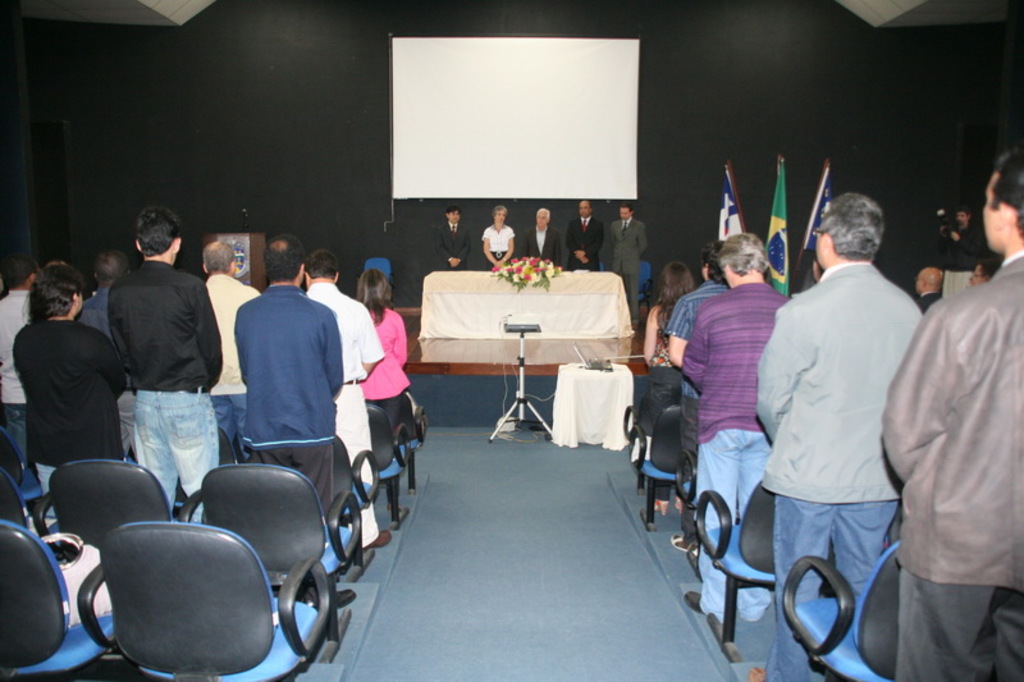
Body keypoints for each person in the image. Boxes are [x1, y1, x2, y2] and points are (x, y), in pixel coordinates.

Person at [754, 193, 919, 682]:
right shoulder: (908, 310)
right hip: (877, 481)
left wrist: (794, 439)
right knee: (867, 589)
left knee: (798, 589)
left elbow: (770, 398)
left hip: (808, 479)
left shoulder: (804, 309)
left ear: (825, 243)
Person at [883, 147, 1024, 681]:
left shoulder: (964, 313)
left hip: (958, 542)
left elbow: (905, 435)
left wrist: (944, 490)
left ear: (1006, 213)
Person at [681, 233, 787, 622]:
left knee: (715, 512)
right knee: (759, 515)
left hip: (721, 425)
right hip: (769, 428)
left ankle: (716, 601)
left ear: (727, 269)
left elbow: (692, 366)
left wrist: (721, 385)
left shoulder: (713, 309)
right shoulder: (789, 309)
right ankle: (756, 603)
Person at [108, 206, 222, 505]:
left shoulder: (120, 290)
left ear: (138, 245)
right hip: (187, 398)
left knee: (156, 495)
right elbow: (211, 348)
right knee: (201, 494)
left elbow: (122, 349)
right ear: (177, 243)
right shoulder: (191, 287)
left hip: (144, 399)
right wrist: (202, 382)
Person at [235, 234, 343, 506]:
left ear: (266, 269)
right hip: (312, 427)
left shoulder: (246, 313)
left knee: (272, 507)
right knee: (317, 507)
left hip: (265, 427)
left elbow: (248, 371)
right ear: (302, 269)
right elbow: (334, 377)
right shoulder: (321, 315)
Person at [305, 248, 391, 550]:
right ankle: (365, 532)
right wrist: (356, 375)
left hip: (308, 395)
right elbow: (371, 358)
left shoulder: (300, 306)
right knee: (358, 457)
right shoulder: (354, 308)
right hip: (347, 390)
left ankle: (311, 535)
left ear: (306, 274)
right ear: (337, 275)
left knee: (311, 459)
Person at [13, 264, 125, 492]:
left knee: (57, 514)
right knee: (99, 511)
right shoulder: (90, 340)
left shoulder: (24, 339)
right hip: (93, 446)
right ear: (74, 298)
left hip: (47, 445)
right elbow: (117, 380)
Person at [665, 240, 727, 554]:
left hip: (696, 395)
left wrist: (706, 377)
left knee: (692, 459)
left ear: (705, 268)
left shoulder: (690, 302)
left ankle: (692, 536)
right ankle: (727, 535)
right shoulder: (738, 299)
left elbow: (675, 356)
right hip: (735, 397)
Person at [636, 261, 694, 515]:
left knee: (659, 434)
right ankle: (684, 494)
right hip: (689, 378)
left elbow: (648, 354)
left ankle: (661, 498)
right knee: (687, 436)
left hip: (661, 378)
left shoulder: (656, 313)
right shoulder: (696, 310)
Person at [202, 241, 260, 460]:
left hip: (210, 385)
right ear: (233, 266)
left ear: (205, 267)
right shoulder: (251, 295)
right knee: (252, 450)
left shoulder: (196, 296)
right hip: (245, 385)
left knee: (217, 451)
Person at [79, 249, 134, 456]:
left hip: (96, 396)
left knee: (107, 459)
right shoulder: (134, 309)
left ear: (95, 276)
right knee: (152, 463)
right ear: (127, 274)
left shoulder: (81, 311)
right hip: (132, 392)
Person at [357, 268, 410, 430]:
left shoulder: (356, 317)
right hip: (391, 383)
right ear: (385, 290)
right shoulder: (394, 318)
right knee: (388, 433)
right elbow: (401, 356)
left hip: (361, 384)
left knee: (365, 433)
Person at [0, 253, 38, 459]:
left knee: (19, 458)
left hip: (12, 393)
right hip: (43, 393)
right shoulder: (39, 308)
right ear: (32, 277)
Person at [608, 202, 647, 324]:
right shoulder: (615, 225)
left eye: (625, 213)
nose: (623, 215)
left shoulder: (638, 226)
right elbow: (613, 242)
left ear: (631, 212)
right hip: (617, 263)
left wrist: (633, 256)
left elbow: (643, 244)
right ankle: (617, 317)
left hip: (632, 264)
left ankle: (634, 318)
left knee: (633, 293)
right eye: (621, 213)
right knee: (617, 292)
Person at [939, 203, 987, 296]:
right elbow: (942, 249)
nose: (959, 218)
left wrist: (960, 240)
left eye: (962, 216)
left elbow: (975, 249)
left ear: (968, 216)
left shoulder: (975, 231)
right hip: (951, 270)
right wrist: (944, 236)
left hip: (965, 271)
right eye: (958, 216)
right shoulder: (952, 230)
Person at [566, 200, 604, 271]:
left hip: (591, 261)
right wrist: (580, 256)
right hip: (574, 262)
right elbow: (569, 242)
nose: (583, 210)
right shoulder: (572, 224)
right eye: (581, 208)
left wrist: (585, 253)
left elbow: (598, 243)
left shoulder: (598, 225)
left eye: (585, 208)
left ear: (590, 209)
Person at [436, 204, 470, 271]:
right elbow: (439, 246)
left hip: (461, 265)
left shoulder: (465, 230)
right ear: (447, 215)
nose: (455, 216)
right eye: (453, 214)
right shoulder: (441, 230)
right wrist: (450, 259)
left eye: (457, 214)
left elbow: (467, 246)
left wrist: (459, 259)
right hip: (445, 264)